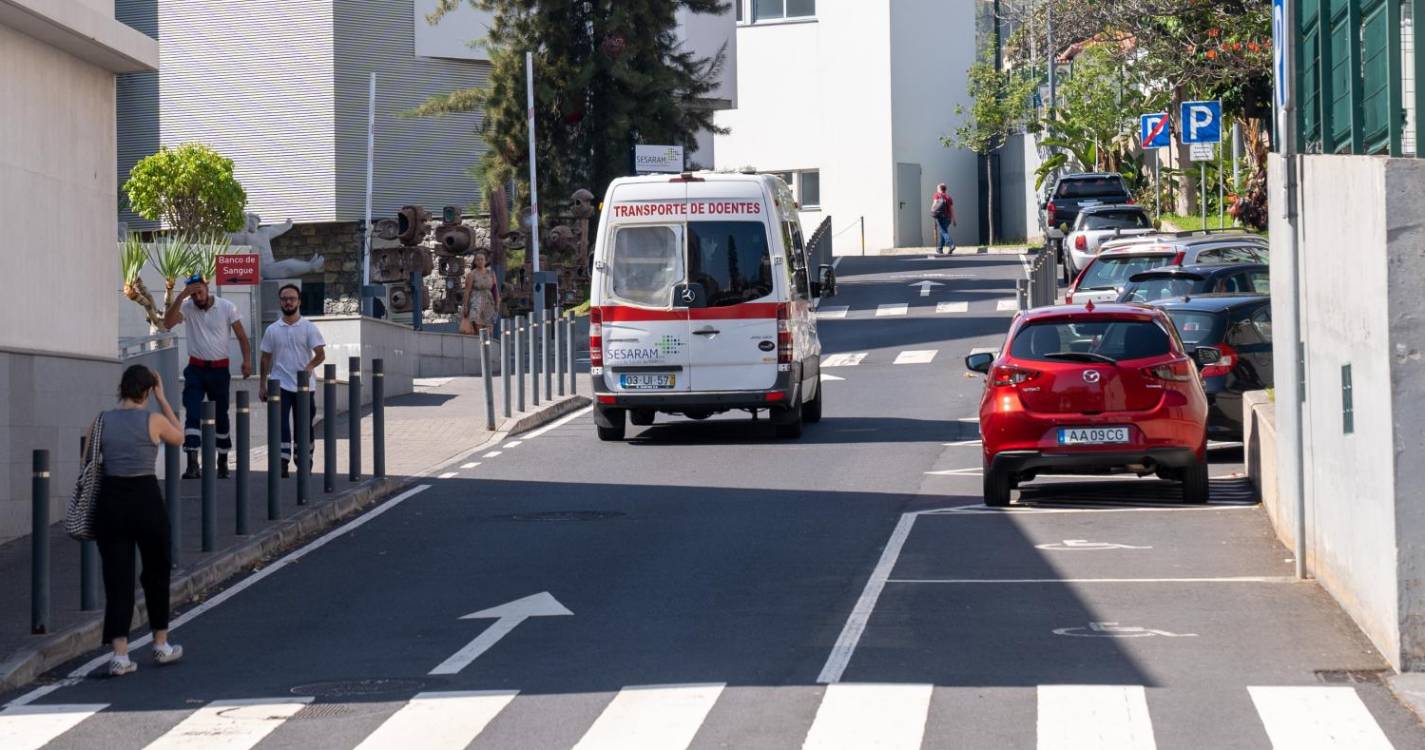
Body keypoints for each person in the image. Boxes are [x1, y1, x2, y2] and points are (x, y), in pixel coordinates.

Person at [90, 365, 185, 676]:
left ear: (122, 388)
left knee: (118, 579)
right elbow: (179, 436)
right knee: (156, 571)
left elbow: (87, 463)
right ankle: (160, 644)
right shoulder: (153, 419)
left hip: (111, 501)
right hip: (145, 499)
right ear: (146, 391)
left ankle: (120, 655)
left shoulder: (101, 421)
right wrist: (164, 398)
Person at [163, 272, 252, 479]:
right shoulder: (186, 306)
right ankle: (192, 463)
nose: (198, 298)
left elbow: (241, 336)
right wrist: (181, 296)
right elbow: (167, 324)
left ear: (207, 287)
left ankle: (222, 459)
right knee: (192, 412)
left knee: (221, 414)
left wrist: (247, 362)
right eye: (194, 295)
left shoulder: (226, 307)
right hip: (195, 369)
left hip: (220, 370)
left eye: (200, 292)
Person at [259, 284, 326, 477]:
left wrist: (309, 366)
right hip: (279, 384)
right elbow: (265, 358)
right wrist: (262, 384)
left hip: (305, 386)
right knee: (280, 424)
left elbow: (321, 354)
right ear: (280, 302)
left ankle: (304, 460)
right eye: (285, 299)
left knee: (303, 424)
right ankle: (282, 461)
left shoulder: (308, 327)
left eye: (292, 298)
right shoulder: (272, 329)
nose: (288, 302)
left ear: (299, 301)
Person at [459, 251, 500, 336]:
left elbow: (494, 289)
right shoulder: (472, 274)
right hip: (476, 301)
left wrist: (497, 302)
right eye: (478, 260)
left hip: (488, 301)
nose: (480, 261)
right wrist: (465, 306)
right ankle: (479, 339)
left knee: (489, 325)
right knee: (477, 324)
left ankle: (487, 343)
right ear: (475, 262)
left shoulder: (491, 273)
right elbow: (467, 291)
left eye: (482, 259)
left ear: (485, 261)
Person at [930, 183, 957, 254]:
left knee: (944, 232)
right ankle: (940, 249)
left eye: (937, 188)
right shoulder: (949, 197)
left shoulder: (937, 195)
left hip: (940, 216)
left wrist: (932, 211)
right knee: (943, 231)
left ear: (940, 189)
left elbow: (935, 204)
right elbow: (951, 209)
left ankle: (951, 244)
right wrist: (954, 219)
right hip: (948, 218)